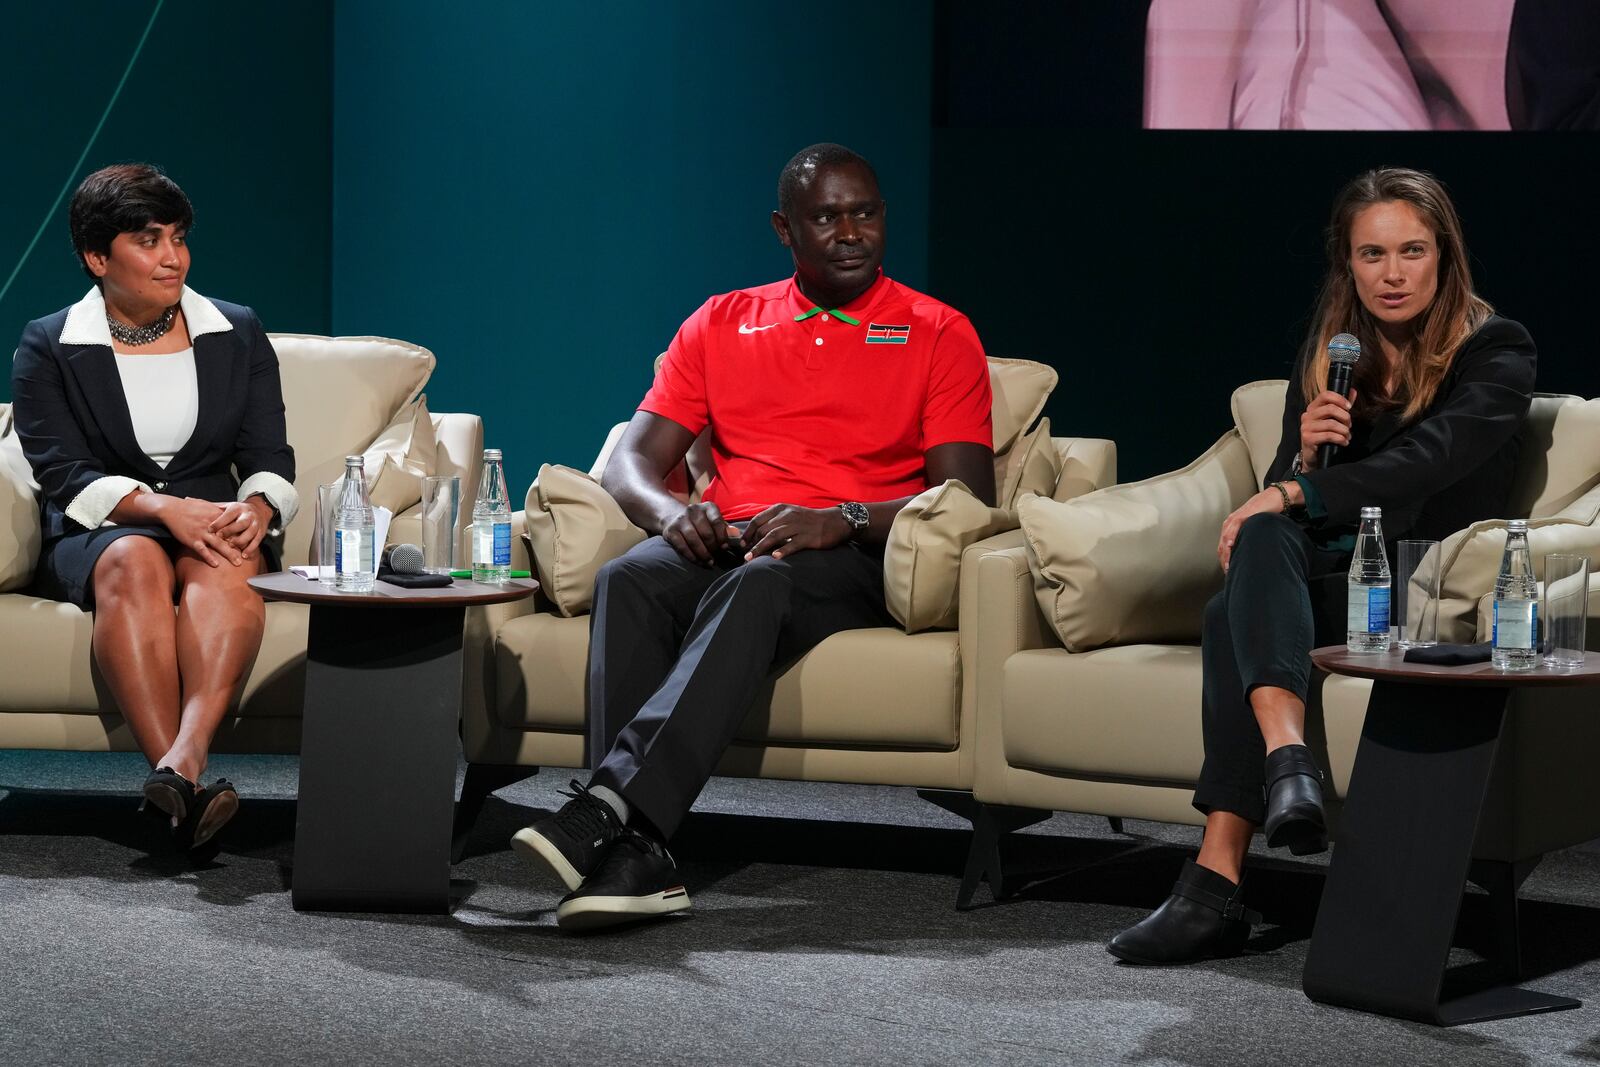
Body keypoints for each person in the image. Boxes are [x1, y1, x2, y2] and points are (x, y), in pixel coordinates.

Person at [510, 143, 996, 931]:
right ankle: (639, 857)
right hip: (738, 537)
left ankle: (606, 809)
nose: (850, 232)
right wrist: (674, 516)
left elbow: (969, 496)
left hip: (857, 551)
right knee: (628, 577)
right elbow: (633, 463)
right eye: (827, 217)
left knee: (759, 581)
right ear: (785, 229)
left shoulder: (937, 331)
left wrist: (843, 518)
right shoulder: (723, 320)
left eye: (865, 213)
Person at [1107, 167, 1536, 964]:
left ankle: (1217, 881)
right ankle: (1288, 761)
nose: (1394, 273)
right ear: (1348, 264)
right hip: (1325, 588)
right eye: (1372, 255)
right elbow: (1281, 503)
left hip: (1416, 593)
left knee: (1224, 612)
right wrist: (1304, 454)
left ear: (1445, 256)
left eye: (1412, 250)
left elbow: (1428, 463)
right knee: (1265, 545)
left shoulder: (1496, 352)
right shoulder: (1334, 356)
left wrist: (1298, 488)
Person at [10, 164, 297, 849]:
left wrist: (258, 505)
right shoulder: (49, 344)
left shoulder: (236, 329)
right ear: (96, 257)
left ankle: (180, 767)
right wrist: (162, 512)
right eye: (148, 240)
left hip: (216, 518)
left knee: (230, 555)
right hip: (104, 527)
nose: (172, 257)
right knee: (135, 560)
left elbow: (269, 454)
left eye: (177, 237)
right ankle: (186, 783)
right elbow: (61, 472)